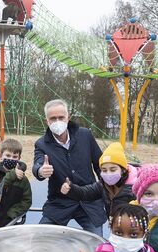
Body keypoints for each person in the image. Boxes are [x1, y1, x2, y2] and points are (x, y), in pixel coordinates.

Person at [33, 99, 106, 236]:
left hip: (88, 200)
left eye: (61, 117)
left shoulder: (85, 135)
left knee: (96, 244)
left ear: (68, 117)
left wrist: (104, 190)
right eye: (53, 119)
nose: (57, 121)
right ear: (46, 121)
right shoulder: (42, 144)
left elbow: (99, 164)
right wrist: (41, 171)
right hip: (60, 202)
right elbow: (37, 165)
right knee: (41, 239)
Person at [60, 141, 137, 221]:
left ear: (123, 170)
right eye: (104, 170)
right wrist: (71, 188)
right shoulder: (103, 185)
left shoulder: (135, 188)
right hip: (115, 226)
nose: (108, 174)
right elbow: (86, 192)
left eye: (113, 170)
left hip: (131, 229)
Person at [0, 138, 32, 227]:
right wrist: (12, 175)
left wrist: (12, 213)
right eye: (7, 155)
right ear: (0, 155)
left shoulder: (23, 180)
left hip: (11, 220)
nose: (11, 159)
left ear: (19, 158)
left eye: (14, 157)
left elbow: (27, 201)